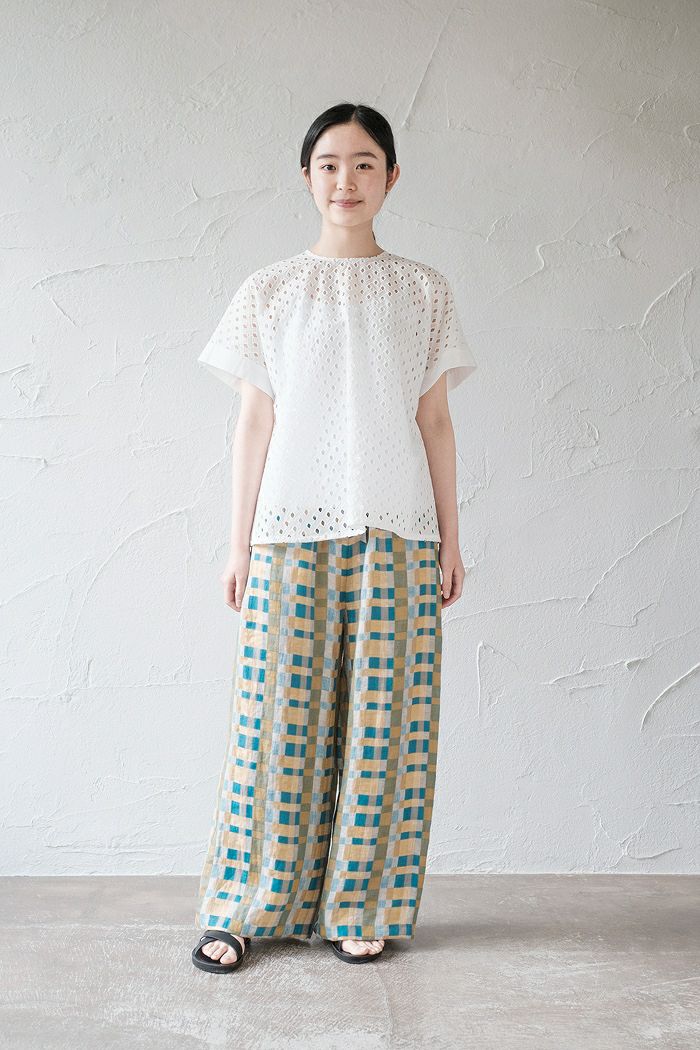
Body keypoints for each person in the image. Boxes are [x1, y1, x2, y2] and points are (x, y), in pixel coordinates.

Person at [191, 102, 477, 973]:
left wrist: (450, 542)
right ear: (306, 176)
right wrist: (238, 545)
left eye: (363, 164)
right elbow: (254, 423)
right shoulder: (270, 290)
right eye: (328, 164)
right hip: (288, 531)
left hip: (399, 531)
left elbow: (435, 420)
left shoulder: (423, 290)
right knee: (274, 724)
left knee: (387, 730)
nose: (345, 181)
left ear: (391, 176)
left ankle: (364, 906)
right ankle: (247, 908)